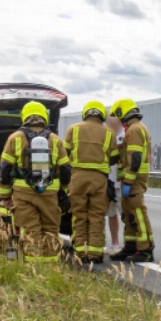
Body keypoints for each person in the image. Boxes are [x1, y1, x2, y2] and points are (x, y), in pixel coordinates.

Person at [0, 101, 71, 265]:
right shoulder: (55, 139)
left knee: (31, 230)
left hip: (23, 194)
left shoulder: (15, 138)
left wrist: (5, 195)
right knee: (51, 229)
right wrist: (63, 191)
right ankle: (51, 267)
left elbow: (4, 168)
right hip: (50, 193)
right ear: (44, 116)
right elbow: (66, 168)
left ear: (25, 116)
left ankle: (34, 269)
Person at [63, 100, 118, 265]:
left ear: (85, 113)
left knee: (79, 215)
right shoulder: (108, 133)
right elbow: (114, 157)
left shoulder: (73, 129)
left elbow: (64, 154)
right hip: (99, 179)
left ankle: (81, 252)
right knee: (97, 216)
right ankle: (95, 253)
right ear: (102, 115)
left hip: (77, 177)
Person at [109, 98, 155, 262]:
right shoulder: (136, 128)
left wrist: (128, 182)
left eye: (117, 116)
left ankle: (146, 249)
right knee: (127, 215)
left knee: (138, 215)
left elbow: (135, 159)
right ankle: (130, 246)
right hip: (131, 180)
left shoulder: (134, 130)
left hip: (134, 181)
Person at [105, 114, 124, 251]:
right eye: (108, 125)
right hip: (108, 183)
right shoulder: (107, 137)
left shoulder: (126, 137)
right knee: (111, 214)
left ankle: (130, 244)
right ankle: (115, 243)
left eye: (112, 125)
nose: (110, 127)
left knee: (126, 215)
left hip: (122, 184)